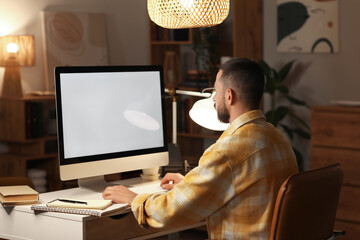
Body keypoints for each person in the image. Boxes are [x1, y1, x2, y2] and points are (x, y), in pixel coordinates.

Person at [102, 58, 298, 239]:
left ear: (229, 96)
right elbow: (239, 184)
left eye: (216, 92)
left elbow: (169, 212)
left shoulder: (227, 151)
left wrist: (133, 198)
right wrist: (189, 183)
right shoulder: (278, 138)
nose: (213, 99)